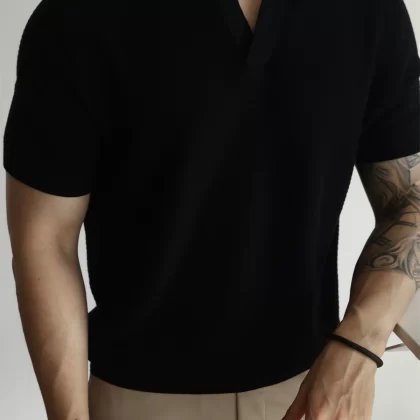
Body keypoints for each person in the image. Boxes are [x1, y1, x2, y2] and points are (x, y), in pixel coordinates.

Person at [3, 0, 420, 418]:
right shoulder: (77, 17)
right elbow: (46, 240)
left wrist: (360, 344)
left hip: (316, 391)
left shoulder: (370, 9)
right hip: (137, 398)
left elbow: (410, 198)